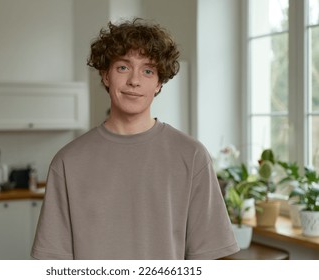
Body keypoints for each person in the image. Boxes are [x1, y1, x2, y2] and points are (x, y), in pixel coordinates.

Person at [31, 18, 239, 260]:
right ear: (105, 75)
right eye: (123, 67)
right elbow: (52, 262)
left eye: (148, 70)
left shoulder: (191, 156)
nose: (134, 80)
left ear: (159, 83)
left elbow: (211, 257)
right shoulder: (68, 161)